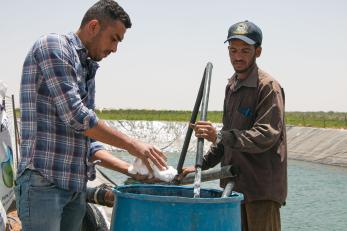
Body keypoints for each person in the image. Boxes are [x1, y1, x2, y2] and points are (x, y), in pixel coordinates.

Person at [15, 1, 167, 230]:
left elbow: (88, 141)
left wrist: (132, 170)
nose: (115, 49)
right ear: (94, 26)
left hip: (74, 189)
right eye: (114, 39)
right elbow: (76, 116)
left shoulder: (87, 66)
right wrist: (133, 144)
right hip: (43, 184)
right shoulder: (54, 47)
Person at [181, 20, 287, 231]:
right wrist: (200, 165)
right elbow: (226, 139)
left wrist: (220, 136)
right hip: (234, 187)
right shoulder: (232, 86)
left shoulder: (267, 87)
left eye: (245, 50)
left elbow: (265, 135)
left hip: (260, 191)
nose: (237, 56)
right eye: (233, 50)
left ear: (258, 51)